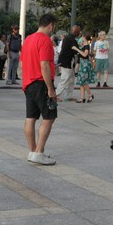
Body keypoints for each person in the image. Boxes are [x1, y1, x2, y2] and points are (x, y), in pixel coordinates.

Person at [20, 13, 58, 165]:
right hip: (41, 82)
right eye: (53, 27)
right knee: (49, 117)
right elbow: (44, 65)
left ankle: (33, 151)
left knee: (30, 118)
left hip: (28, 83)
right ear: (51, 25)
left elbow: (22, 64)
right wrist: (50, 89)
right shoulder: (45, 40)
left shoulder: (28, 39)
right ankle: (39, 152)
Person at [56, 25, 80, 102]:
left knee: (71, 79)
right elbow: (75, 51)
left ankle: (68, 96)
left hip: (66, 61)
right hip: (66, 62)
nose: (79, 33)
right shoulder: (72, 40)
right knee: (65, 79)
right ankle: (55, 95)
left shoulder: (67, 38)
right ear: (76, 32)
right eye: (78, 31)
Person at [72, 33, 96, 103]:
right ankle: (82, 98)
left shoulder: (87, 46)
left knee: (83, 81)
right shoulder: (83, 45)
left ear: (84, 37)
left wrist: (77, 49)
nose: (81, 38)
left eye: (82, 36)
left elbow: (85, 54)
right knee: (81, 82)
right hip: (82, 63)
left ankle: (90, 94)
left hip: (85, 64)